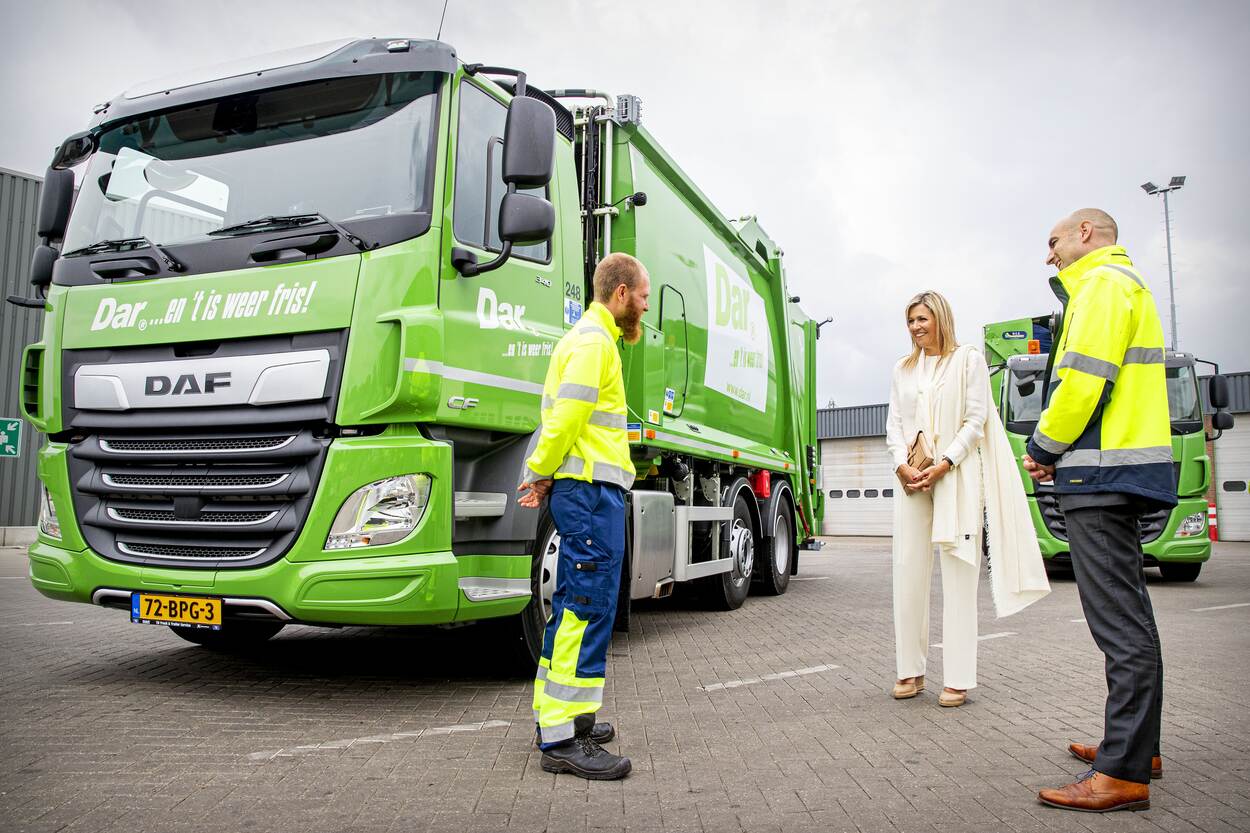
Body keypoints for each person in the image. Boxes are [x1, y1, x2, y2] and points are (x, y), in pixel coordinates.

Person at [1025, 209, 1173, 813]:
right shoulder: (1122, 285)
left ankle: (1122, 775)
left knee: (1118, 624)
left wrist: (1042, 448)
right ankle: (1137, 748)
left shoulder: (1102, 285)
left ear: (1085, 233)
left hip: (1101, 475)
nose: (1050, 255)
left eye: (1054, 241)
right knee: (1130, 617)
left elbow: (1084, 383)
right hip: (1115, 472)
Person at [516, 251, 649, 781]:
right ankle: (563, 741)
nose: (645, 306)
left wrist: (547, 473)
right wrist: (538, 470)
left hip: (584, 489)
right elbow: (568, 416)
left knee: (575, 604)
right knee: (586, 608)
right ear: (621, 293)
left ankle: (563, 719)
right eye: (643, 296)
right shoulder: (595, 344)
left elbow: (565, 416)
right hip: (592, 493)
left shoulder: (583, 339)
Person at [886, 291, 1049, 708]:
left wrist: (945, 463)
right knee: (907, 572)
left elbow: (976, 420)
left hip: (955, 478)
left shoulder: (968, 360)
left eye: (922, 319)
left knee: (959, 575)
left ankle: (957, 678)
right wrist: (901, 466)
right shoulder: (903, 369)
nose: (915, 327)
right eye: (910, 321)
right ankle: (910, 670)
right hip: (912, 481)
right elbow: (895, 424)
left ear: (940, 318)